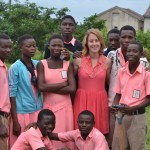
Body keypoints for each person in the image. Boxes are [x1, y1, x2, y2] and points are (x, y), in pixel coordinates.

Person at [37, 35, 76, 149]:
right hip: (49, 108)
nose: (56, 48)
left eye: (59, 45)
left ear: (64, 48)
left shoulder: (68, 64)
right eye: (53, 45)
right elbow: (41, 87)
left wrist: (49, 87)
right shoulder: (42, 64)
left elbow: (72, 88)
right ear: (48, 47)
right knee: (49, 139)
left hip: (66, 108)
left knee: (65, 138)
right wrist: (64, 84)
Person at [112, 41, 150, 150]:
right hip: (121, 116)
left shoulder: (146, 74)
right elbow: (118, 94)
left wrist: (133, 108)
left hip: (137, 117)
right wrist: (115, 106)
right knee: (119, 146)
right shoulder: (121, 72)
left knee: (137, 147)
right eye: (129, 51)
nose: (131, 53)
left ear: (141, 54)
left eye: (135, 51)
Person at [73, 28, 111, 134]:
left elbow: (109, 83)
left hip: (100, 100)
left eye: (96, 40)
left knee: (99, 134)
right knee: (81, 133)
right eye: (91, 41)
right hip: (82, 99)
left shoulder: (107, 61)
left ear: (101, 42)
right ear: (86, 43)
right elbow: (70, 79)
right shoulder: (78, 61)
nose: (94, 44)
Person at [8, 34, 43, 148]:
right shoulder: (15, 67)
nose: (33, 48)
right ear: (21, 48)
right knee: (21, 144)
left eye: (34, 46)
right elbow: (12, 94)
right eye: (29, 46)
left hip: (37, 110)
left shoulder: (38, 64)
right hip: (21, 113)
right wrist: (15, 121)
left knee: (36, 143)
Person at [0, 34, 12, 150]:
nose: (8, 50)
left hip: (5, 116)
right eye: (4, 47)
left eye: (10, 47)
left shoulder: (3, 66)